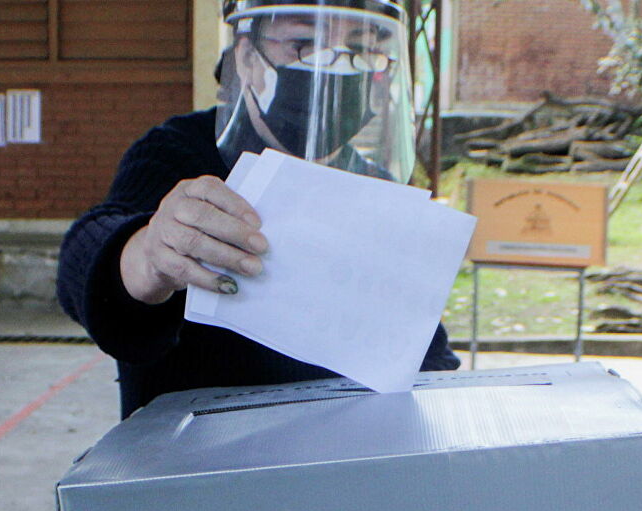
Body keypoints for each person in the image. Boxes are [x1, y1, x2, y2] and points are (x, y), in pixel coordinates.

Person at [57, 0, 459, 418]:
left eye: (361, 49)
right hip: (194, 464)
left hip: (338, 460)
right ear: (247, 58)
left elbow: (422, 347)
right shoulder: (179, 154)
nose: (337, 69)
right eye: (303, 43)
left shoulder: (376, 186)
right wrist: (148, 252)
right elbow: (86, 260)